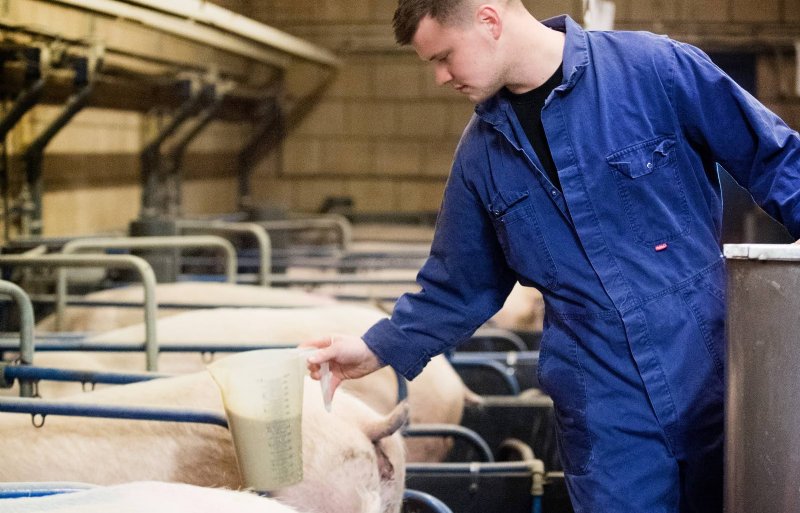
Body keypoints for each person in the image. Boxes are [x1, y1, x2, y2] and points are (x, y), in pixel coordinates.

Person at [302, 1, 800, 511]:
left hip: (716, 378)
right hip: (604, 414)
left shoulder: (655, 70)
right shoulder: (481, 157)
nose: (440, 77)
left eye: (444, 57)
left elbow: (777, 159)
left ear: (489, 21)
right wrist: (375, 348)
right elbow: (458, 287)